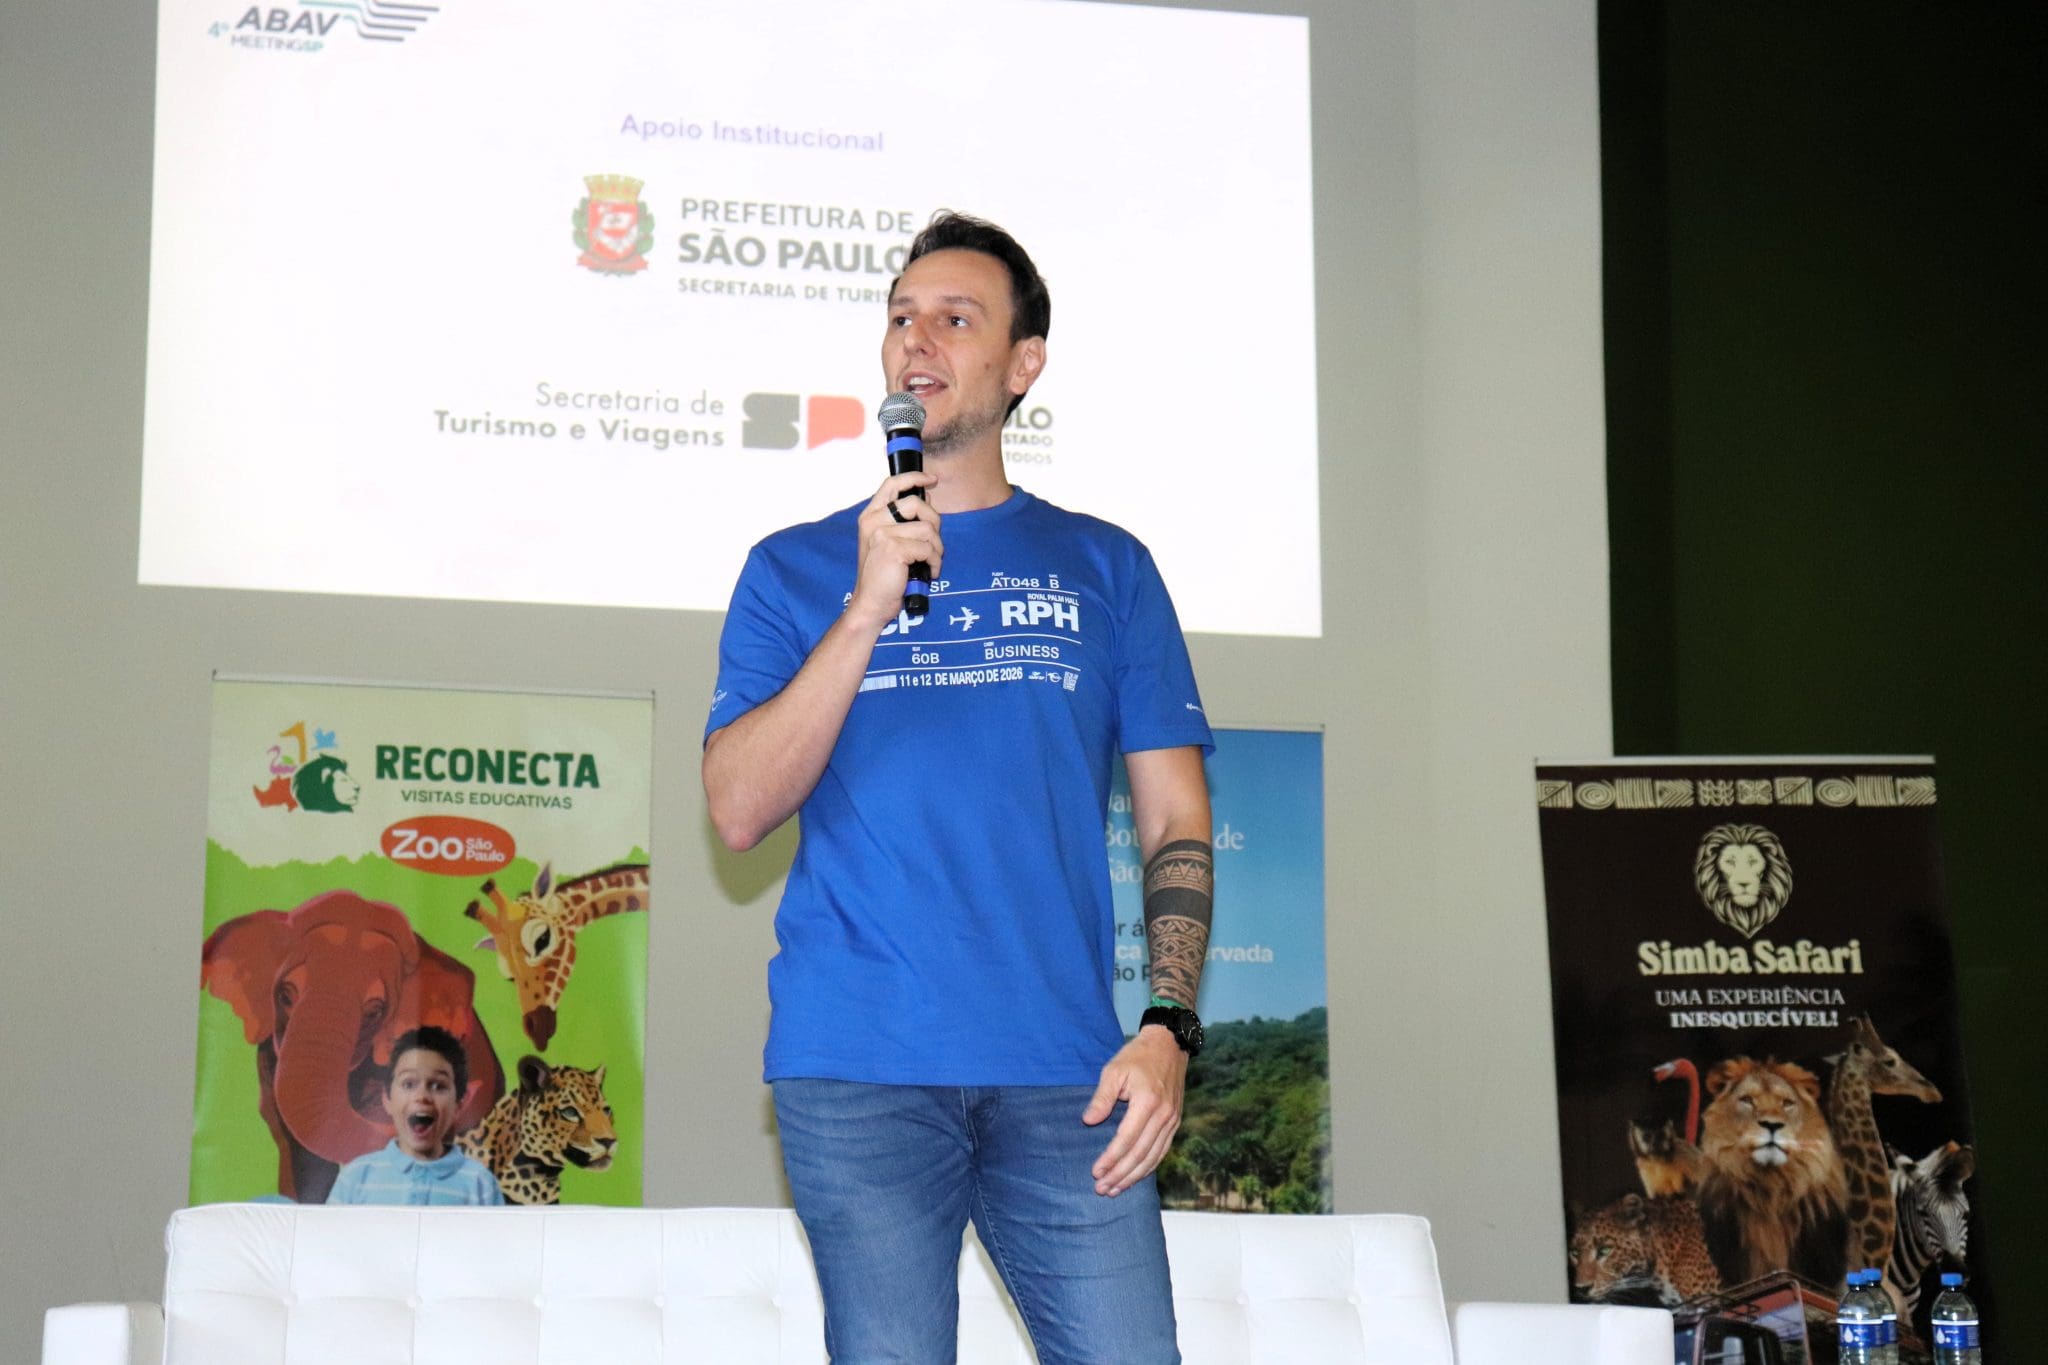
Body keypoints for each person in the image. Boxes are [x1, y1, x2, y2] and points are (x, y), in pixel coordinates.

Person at [703, 211, 1214, 1364]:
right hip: (859, 1063)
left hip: (1066, 1071)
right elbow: (735, 809)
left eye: (953, 317)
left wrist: (1167, 1029)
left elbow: (1175, 819)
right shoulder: (793, 568)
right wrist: (865, 606)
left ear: (1023, 363)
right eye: (899, 317)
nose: (914, 340)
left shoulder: (1107, 566)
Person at [326, 1026, 503, 1206]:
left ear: (459, 1104)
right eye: (409, 1084)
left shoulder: (481, 1184)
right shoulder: (355, 1178)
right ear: (387, 1099)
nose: (422, 1096)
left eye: (438, 1086)